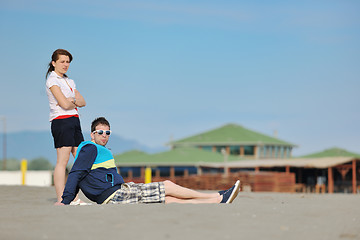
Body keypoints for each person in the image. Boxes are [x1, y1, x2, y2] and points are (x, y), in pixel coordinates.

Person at [55, 117, 240, 205]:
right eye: (100, 132)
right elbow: (76, 173)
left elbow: (81, 176)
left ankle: (216, 199)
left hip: (112, 196)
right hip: (115, 194)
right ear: (92, 135)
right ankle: (217, 196)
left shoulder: (96, 150)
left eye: (107, 132)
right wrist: (66, 200)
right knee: (167, 185)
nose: (104, 136)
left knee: (168, 200)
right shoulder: (90, 148)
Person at [46, 49, 86, 203]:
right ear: (54, 63)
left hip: (75, 120)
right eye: (62, 61)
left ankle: (73, 196)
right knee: (62, 161)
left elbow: (83, 102)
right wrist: (71, 101)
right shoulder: (52, 80)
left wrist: (72, 100)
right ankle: (61, 198)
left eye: (67, 61)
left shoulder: (70, 81)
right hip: (61, 121)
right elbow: (63, 104)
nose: (65, 64)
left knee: (81, 158)